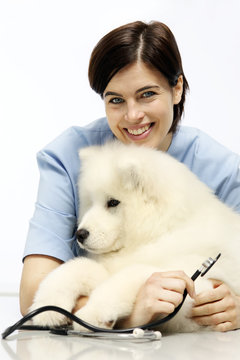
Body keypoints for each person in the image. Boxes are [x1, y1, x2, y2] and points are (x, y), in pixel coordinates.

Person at [20, 20, 240, 332]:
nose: (132, 115)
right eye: (116, 100)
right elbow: (33, 291)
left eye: (147, 94)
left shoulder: (220, 167)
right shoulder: (70, 156)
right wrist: (127, 315)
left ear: (177, 88)